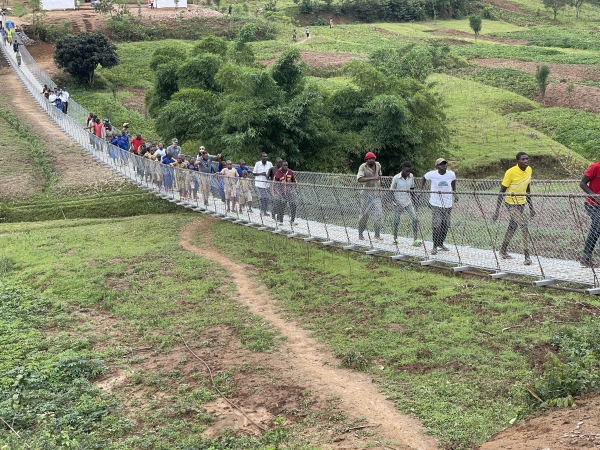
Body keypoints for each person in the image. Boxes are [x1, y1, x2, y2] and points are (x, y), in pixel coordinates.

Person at [492, 152, 535, 266]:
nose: (526, 161)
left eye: (527, 159)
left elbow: (528, 189)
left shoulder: (529, 170)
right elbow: (502, 191)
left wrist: (531, 207)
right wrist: (496, 210)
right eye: (523, 159)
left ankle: (503, 250)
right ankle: (527, 257)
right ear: (518, 161)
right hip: (511, 204)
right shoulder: (510, 172)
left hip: (522, 203)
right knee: (523, 225)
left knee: (513, 226)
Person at [420, 158, 457, 255]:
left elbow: (453, 181)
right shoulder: (432, 174)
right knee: (437, 225)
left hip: (448, 203)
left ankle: (441, 243)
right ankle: (434, 247)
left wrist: (455, 192)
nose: (443, 166)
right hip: (436, 203)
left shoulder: (451, 174)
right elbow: (424, 178)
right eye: (441, 164)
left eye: (444, 164)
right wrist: (421, 190)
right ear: (437, 166)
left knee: (445, 225)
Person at [390, 162, 420, 246]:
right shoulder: (396, 178)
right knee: (396, 221)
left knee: (415, 219)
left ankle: (415, 239)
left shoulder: (411, 176)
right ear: (402, 169)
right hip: (397, 202)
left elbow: (412, 189)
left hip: (407, 201)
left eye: (409, 171)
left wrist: (414, 201)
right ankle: (395, 239)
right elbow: (391, 192)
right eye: (406, 171)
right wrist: (397, 204)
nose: (408, 173)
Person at [578, 162, 600, 268]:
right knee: (597, 226)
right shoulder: (595, 167)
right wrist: (595, 196)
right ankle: (585, 257)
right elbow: (582, 183)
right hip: (593, 204)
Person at [356, 151, 383, 241]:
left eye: (373, 158)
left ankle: (377, 235)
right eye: (369, 159)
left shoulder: (378, 165)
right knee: (364, 214)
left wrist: (381, 182)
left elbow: (380, 175)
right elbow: (359, 179)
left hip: (376, 194)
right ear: (366, 160)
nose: (371, 160)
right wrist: (372, 178)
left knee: (378, 214)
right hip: (365, 194)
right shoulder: (363, 167)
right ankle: (360, 234)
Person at [273, 161, 298, 225]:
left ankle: (292, 220)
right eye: (284, 165)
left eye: (286, 165)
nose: (285, 167)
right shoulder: (278, 173)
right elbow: (274, 184)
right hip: (281, 193)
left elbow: (294, 180)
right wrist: (275, 193)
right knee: (282, 207)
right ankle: (281, 221)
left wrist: (296, 188)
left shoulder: (290, 172)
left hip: (289, 192)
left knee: (293, 204)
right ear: (281, 166)